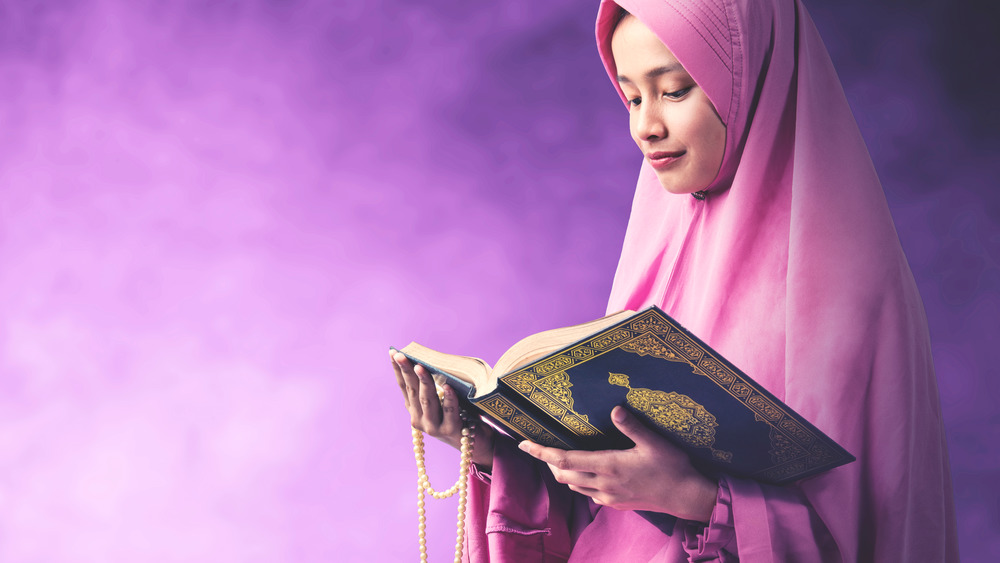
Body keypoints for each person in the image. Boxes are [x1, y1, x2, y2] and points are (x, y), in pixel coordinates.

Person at [391, 0, 960, 560]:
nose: (645, 126)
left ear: (751, 81)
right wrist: (494, 450)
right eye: (632, 96)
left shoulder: (848, 290)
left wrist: (693, 498)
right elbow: (610, 517)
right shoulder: (659, 245)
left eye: (674, 90)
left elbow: (872, 537)